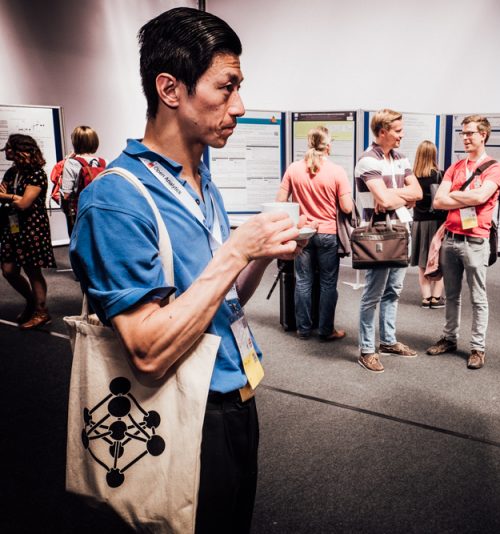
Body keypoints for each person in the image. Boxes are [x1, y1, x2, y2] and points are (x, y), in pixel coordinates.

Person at [69, 8, 305, 533]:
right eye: (226, 87)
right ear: (170, 89)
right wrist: (236, 251)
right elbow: (148, 352)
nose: (239, 106)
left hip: (237, 398)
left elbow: (222, 300)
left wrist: (262, 252)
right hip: (181, 412)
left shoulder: (200, 179)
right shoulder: (115, 199)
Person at [426, 115, 500, 370]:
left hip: (476, 241)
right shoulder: (456, 166)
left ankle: (478, 348)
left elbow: (482, 196)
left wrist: (455, 194)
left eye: (470, 133)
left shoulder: (494, 167)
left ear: (483, 135)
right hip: (450, 239)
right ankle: (449, 338)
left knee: (478, 298)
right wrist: (467, 196)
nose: (465, 137)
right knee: (451, 295)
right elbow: (438, 201)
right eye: (463, 133)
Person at [354, 109, 422, 373]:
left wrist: (393, 194)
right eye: (397, 131)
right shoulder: (367, 160)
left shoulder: (401, 158)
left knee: (394, 290)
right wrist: (399, 195)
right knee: (373, 294)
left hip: (402, 230)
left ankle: (388, 341)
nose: (402, 135)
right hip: (379, 234)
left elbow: (418, 192)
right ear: (382, 132)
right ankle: (367, 350)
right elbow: (383, 200)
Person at [277, 126, 352, 341]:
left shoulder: (293, 169)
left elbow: (280, 201)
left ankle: (303, 329)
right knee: (328, 283)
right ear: (328, 146)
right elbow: (347, 207)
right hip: (328, 234)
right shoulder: (337, 171)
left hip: (303, 234)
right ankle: (326, 331)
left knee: (303, 281)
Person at [0, 134, 57, 329]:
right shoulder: (11, 172)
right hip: (12, 226)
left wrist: (8, 196)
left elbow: (24, 204)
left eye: (9, 148)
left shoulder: (36, 174)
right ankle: (32, 301)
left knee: (33, 270)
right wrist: (13, 197)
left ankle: (41, 312)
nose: (6, 151)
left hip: (32, 227)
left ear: (21, 151)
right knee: (8, 270)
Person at [409, 140, 446, 309]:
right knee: (439, 260)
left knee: (422, 261)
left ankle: (426, 298)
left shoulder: (412, 178)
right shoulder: (440, 175)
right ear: (434, 155)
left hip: (419, 224)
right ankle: (436, 298)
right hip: (438, 223)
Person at [60, 125, 104, 237]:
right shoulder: (104, 162)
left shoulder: (71, 162)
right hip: (101, 211)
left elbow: (66, 194)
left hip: (81, 212)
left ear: (75, 142)